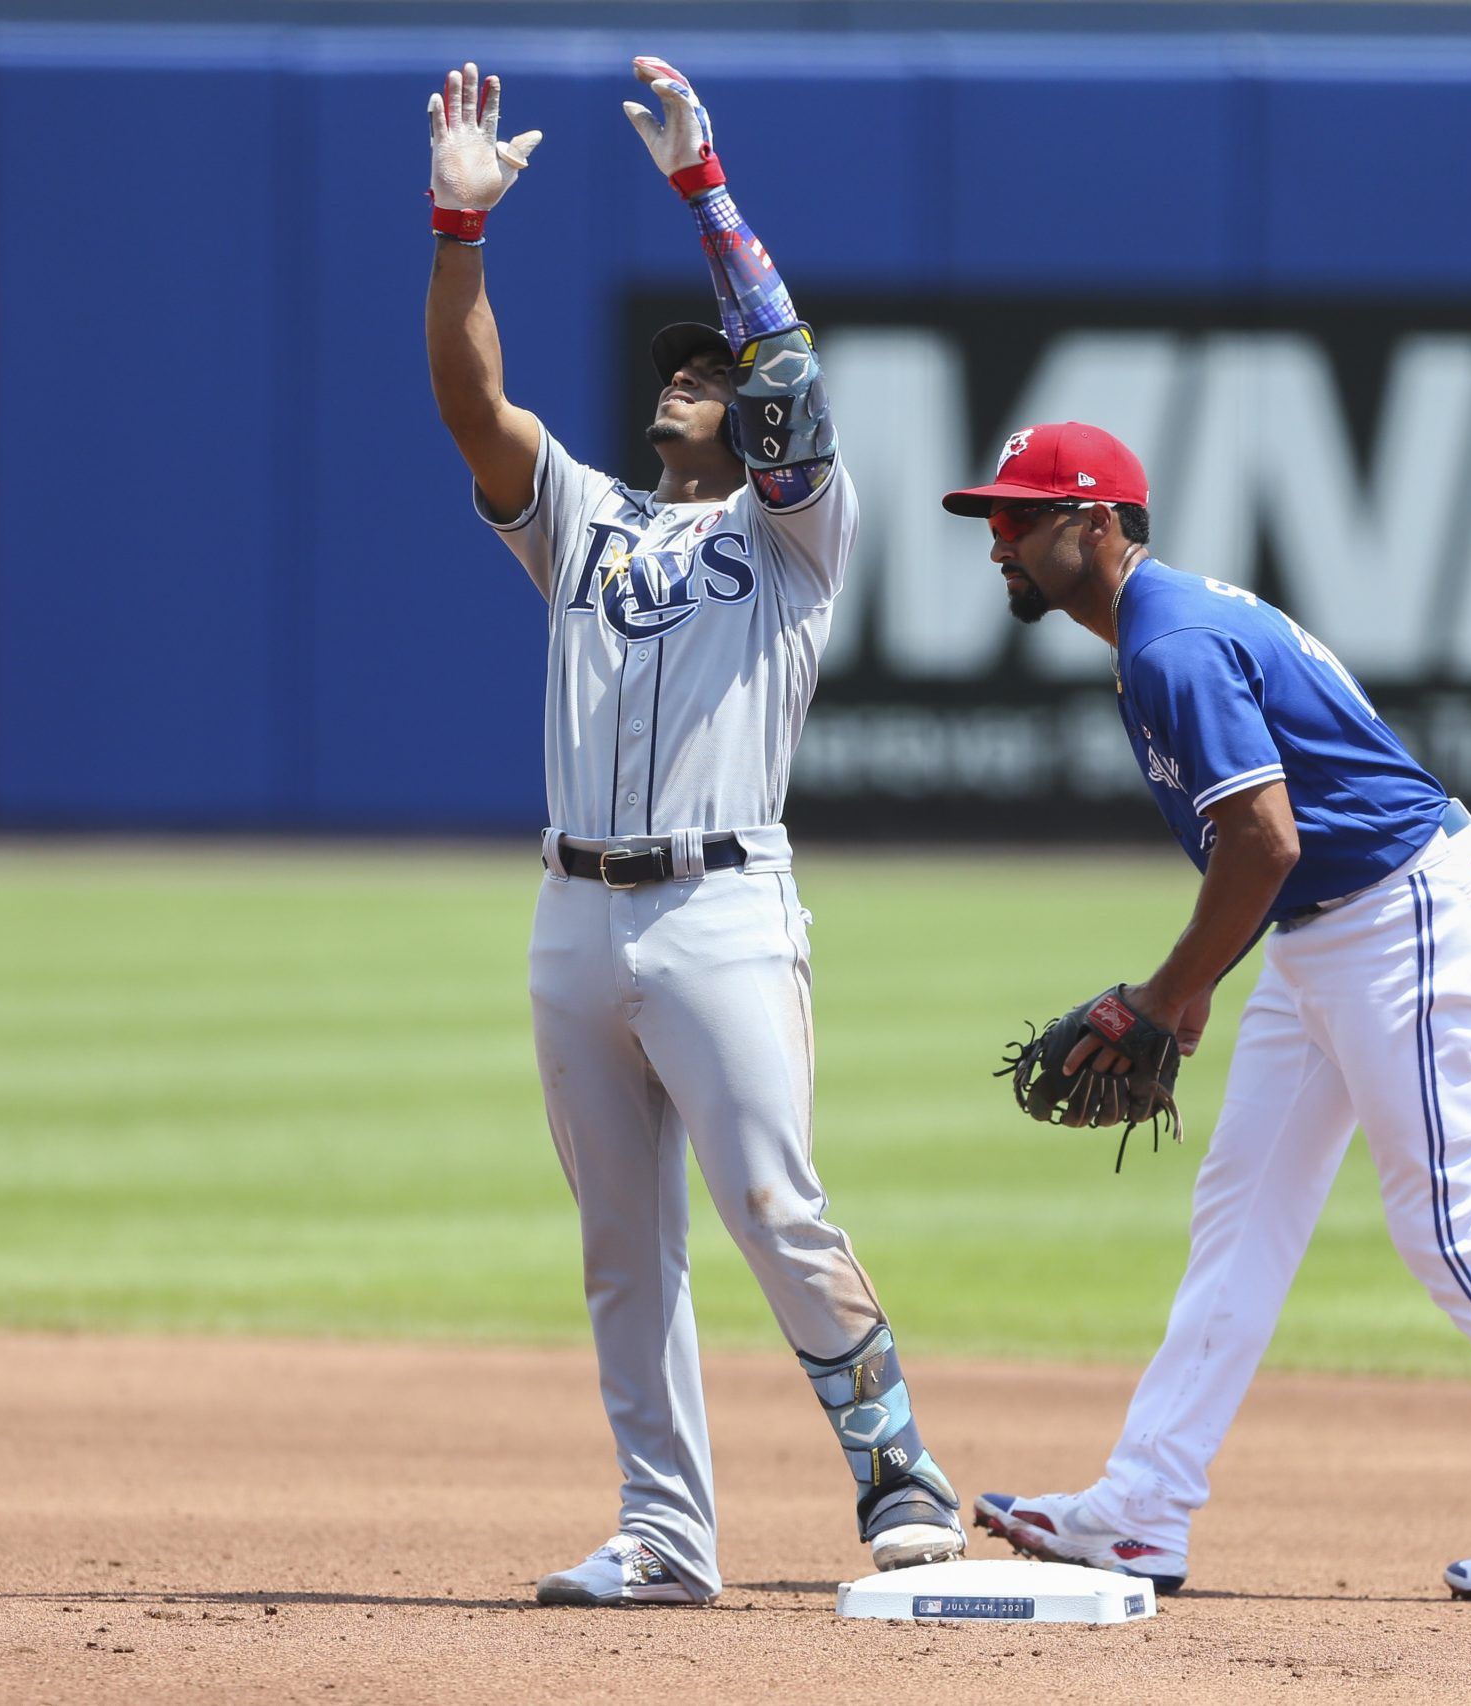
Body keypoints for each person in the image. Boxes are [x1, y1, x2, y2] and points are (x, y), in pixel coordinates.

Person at [941, 422, 1471, 1604]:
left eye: (1020, 517)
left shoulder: (1169, 640)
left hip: (1404, 914)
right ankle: (1140, 1508)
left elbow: (1267, 838)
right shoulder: (1155, 627)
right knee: (1241, 1212)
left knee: (1449, 1223)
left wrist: (1164, 989)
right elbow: (1267, 849)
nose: (998, 542)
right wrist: (1194, 990)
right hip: (1326, 927)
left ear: (1098, 522)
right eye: (993, 518)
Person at [422, 57, 964, 1607]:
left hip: (724, 908)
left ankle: (896, 1474)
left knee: (774, 1204)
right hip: (573, 909)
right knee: (620, 1251)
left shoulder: (794, 535)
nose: (687, 380)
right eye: (677, 368)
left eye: (707, 373)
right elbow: (471, 404)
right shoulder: (586, 516)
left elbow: (789, 384)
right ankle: (666, 1533)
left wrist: (709, 197)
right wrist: (457, 231)